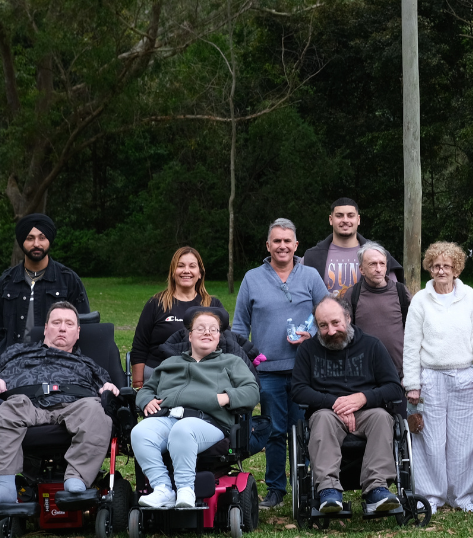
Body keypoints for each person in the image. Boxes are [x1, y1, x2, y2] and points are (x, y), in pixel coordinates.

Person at [0, 303, 120, 513]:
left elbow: (109, 389)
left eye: (69, 324)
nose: (62, 328)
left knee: (96, 412)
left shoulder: (88, 364)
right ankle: (6, 486)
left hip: (74, 405)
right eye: (56, 322)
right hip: (26, 404)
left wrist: (109, 387)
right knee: (6, 410)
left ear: (77, 332)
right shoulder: (16, 353)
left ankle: (77, 478)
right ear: (45, 328)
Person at [232, 218, 330, 508]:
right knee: (274, 431)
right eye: (277, 241)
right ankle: (276, 489)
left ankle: (309, 485)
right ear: (268, 245)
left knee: (305, 428)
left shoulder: (310, 276)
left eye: (288, 241)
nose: (282, 246)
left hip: (305, 368)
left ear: (296, 245)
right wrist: (242, 362)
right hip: (268, 370)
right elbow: (239, 327)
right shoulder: (252, 278)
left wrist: (311, 333)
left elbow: (327, 313)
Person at [133, 309, 260, 509]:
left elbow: (252, 392)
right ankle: (162, 489)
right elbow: (147, 389)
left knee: (184, 430)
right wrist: (146, 400)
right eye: (200, 328)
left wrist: (226, 397)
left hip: (210, 422)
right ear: (190, 335)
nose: (207, 332)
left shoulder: (231, 362)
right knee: (140, 432)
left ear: (219, 337)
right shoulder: (170, 363)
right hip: (170, 417)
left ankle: (185, 489)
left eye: (213, 329)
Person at [403, 241, 473, 512]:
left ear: (456, 269)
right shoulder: (420, 300)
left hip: (463, 377)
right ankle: (431, 499)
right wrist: (412, 384)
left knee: (465, 441)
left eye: (446, 266)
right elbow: (411, 345)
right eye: (435, 266)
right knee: (430, 441)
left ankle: (463, 497)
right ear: (429, 269)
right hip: (430, 377)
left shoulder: (469, 296)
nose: (441, 270)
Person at [291, 298, 406, 514]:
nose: (331, 331)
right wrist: (334, 403)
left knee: (382, 418)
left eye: (336, 323)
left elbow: (394, 388)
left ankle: (377, 489)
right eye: (323, 326)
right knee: (323, 419)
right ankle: (328, 491)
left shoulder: (372, 345)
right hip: (327, 413)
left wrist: (362, 398)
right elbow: (298, 389)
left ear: (348, 318)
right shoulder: (308, 349)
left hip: (368, 412)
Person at [0, 213, 90, 361]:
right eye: (30, 238)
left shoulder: (68, 280)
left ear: (49, 240)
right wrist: (2, 355)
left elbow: (84, 326)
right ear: (22, 240)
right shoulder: (7, 281)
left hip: (56, 361)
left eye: (42, 238)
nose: (36, 244)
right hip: (13, 362)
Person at [130, 247, 225, 389]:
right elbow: (139, 347)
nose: (186, 270)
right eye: (180, 266)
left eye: (192, 266)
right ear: (173, 272)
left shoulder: (213, 306)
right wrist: (138, 385)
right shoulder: (156, 303)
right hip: (159, 374)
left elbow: (225, 344)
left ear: (200, 273)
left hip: (203, 375)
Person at [303, 198, 403, 295]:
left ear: (358, 219)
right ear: (331, 219)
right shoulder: (312, 257)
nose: (345, 220)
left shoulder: (378, 255)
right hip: (324, 312)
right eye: (339, 216)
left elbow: (393, 295)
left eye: (350, 216)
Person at [342, 241, 411, 375]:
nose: (378, 269)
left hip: (399, 373)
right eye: (373, 264)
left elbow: (415, 332)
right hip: (364, 373)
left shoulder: (401, 291)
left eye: (382, 264)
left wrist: (410, 373)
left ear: (386, 267)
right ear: (361, 269)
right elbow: (345, 334)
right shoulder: (352, 295)